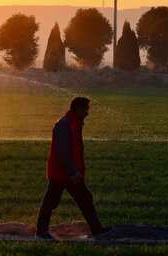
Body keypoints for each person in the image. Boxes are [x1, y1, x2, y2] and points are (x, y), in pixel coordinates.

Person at [36, 97, 110, 239]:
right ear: (78, 109)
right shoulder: (64, 125)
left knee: (85, 198)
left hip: (70, 173)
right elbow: (62, 152)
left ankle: (96, 230)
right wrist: (72, 171)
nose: (87, 113)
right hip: (62, 174)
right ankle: (41, 232)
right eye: (86, 109)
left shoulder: (74, 123)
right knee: (51, 203)